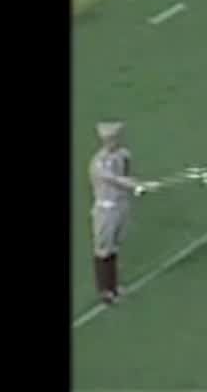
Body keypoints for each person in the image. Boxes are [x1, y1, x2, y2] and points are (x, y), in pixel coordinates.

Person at [87, 121, 145, 305]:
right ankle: (104, 289)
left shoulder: (123, 155)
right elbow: (114, 179)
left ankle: (114, 285)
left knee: (114, 247)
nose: (114, 141)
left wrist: (135, 186)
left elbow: (125, 176)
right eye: (111, 139)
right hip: (106, 208)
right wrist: (136, 184)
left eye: (116, 138)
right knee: (103, 249)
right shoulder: (98, 163)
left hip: (121, 206)